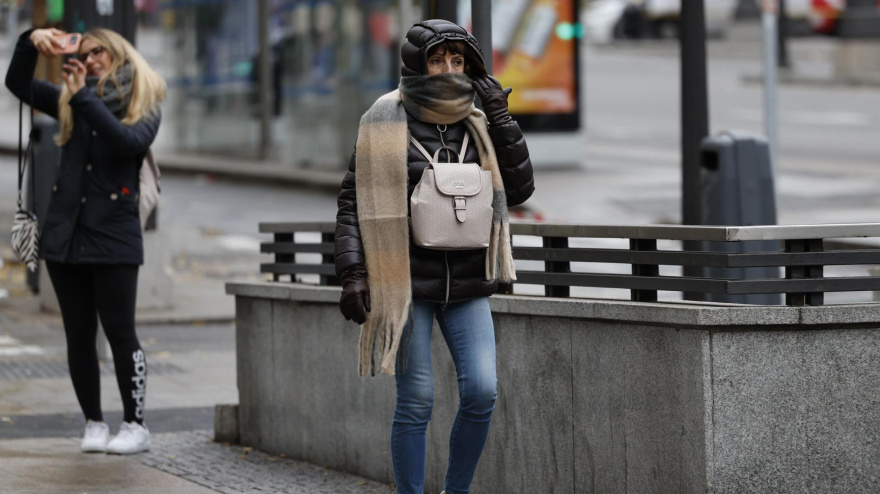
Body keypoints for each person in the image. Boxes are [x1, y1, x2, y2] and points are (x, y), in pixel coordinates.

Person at [334, 20, 534, 494]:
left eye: (458, 60)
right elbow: (351, 201)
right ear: (417, 64)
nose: (448, 68)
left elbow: (521, 190)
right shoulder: (383, 118)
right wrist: (354, 272)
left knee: (483, 390)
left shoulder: (480, 121)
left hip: (467, 280)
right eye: (438, 59)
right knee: (417, 399)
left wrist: (501, 117)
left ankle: (456, 490)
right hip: (405, 283)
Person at [5, 27, 165, 454]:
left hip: (114, 233)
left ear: (120, 54)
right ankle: (93, 422)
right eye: (85, 53)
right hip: (66, 233)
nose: (92, 60)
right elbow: (17, 83)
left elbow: (125, 141)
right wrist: (30, 40)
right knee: (78, 334)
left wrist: (82, 99)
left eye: (100, 53)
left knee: (120, 331)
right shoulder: (71, 99)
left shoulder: (144, 102)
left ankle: (136, 425)